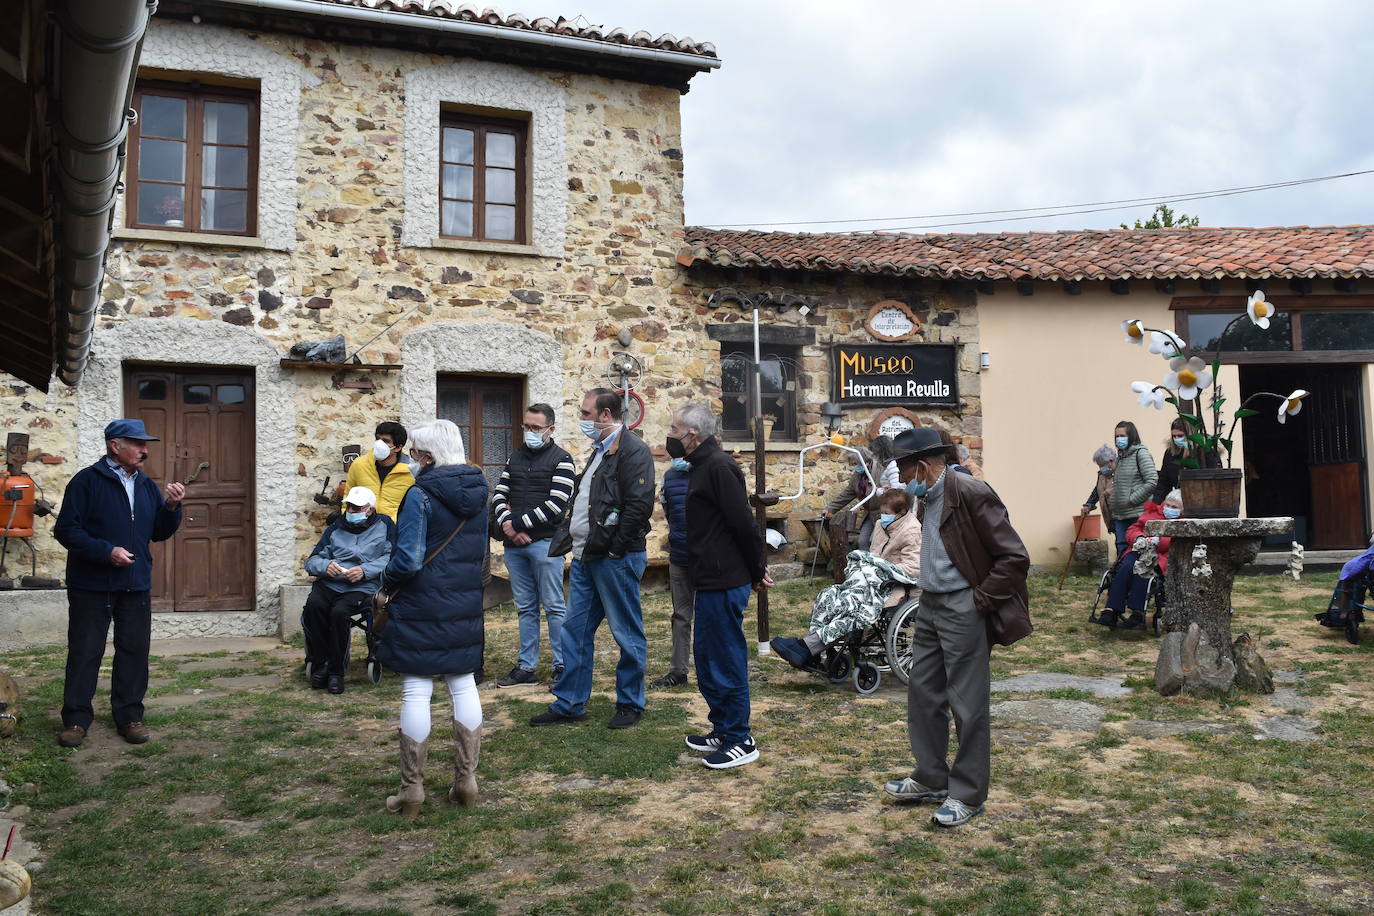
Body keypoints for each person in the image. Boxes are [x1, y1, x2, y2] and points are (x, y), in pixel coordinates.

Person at [881, 427, 1028, 828]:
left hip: (963, 605)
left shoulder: (970, 493)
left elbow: (1014, 558)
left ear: (925, 466)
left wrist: (978, 601)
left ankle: (967, 794)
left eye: (903, 469)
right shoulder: (927, 497)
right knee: (923, 693)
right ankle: (931, 776)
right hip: (927, 603)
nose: (900, 478)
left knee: (967, 703)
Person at [375, 419, 488, 815]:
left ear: (426, 455)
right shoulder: (479, 491)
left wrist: (385, 581)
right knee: (463, 685)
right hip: (463, 600)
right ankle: (467, 782)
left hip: (421, 602)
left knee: (416, 689)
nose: (410, 458)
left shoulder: (419, 495)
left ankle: (412, 791)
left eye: (413, 452)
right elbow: (482, 559)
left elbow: (407, 559)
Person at [52, 419, 185, 748]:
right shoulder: (86, 481)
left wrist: (171, 507)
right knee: (85, 651)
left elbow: (158, 532)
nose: (145, 450)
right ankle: (76, 720)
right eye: (137, 444)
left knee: (134, 651)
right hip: (91, 584)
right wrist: (105, 552)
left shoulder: (145, 485)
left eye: (145, 444)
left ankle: (129, 716)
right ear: (115, 446)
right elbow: (66, 530)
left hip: (134, 582)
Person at [531, 388, 655, 730]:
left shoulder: (633, 450)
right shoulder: (600, 451)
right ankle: (569, 703)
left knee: (626, 632)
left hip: (616, 559)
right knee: (575, 631)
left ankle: (630, 704)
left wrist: (615, 549)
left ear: (605, 415)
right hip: (587, 557)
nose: (581, 419)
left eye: (586, 414)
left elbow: (638, 507)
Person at [670, 403, 772, 769]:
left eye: (674, 429)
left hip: (725, 579)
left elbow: (743, 525)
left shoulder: (720, 467)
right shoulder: (700, 466)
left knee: (726, 658)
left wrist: (757, 568)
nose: (670, 436)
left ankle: (740, 738)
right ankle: (722, 726)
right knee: (708, 657)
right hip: (707, 577)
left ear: (692, 435)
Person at [772, 488, 922, 667]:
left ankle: (809, 647)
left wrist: (881, 568)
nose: (883, 517)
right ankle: (813, 650)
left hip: (894, 586)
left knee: (853, 608)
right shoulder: (881, 525)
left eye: (887, 513)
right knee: (829, 596)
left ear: (902, 512)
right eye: (881, 512)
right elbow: (873, 554)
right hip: (871, 580)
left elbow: (913, 567)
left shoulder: (911, 530)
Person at [490, 403, 576, 688]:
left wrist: (517, 524)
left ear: (551, 429)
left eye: (536, 428)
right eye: (526, 426)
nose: (530, 432)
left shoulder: (562, 459)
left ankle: (563, 664)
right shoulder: (514, 457)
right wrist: (508, 526)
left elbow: (556, 504)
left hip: (546, 545)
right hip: (515, 546)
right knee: (525, 608)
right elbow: (499, 495)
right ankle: (526, 667)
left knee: (554, 607)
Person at [302, 486, 395, 693]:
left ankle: (336, 672)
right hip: (331, 582)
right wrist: (326, 566)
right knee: (313, 607)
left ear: (369, 510)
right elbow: (313, 560)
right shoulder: (336, 527)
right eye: (349, 507)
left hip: (363, 585)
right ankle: (321, 663)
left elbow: (391, 558)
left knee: (339, 612)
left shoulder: (385, 526)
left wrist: (365, 570)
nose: (351, 512)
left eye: (356, 508)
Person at [1094, 489, 1183, 630]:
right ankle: (1111, 610)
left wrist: (1157, 541)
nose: (1169, 509)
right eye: (1168, 505)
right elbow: (1132, 529)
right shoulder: (1152, 513)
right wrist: (1139, 538)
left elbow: (1172, 542)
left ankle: (1138, 613)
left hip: (1159, 556)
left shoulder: (1182, 523)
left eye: (1174, 507)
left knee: (1144, 571)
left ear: (1182, 510)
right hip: (1138, 549)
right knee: (1126, 567)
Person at [649, 447, 694, 688]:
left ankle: (718, 668)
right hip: (680, 554)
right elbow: (669, 512)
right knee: (680, 615)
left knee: (712, 616)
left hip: (707, 558)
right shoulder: (670, 477)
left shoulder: (711, 472)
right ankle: (678, 671)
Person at [1106, 420, 1157, 561]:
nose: (1119, 439)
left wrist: (1132, 499)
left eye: (1122, 435)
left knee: (1139, 552)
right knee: (1122, 552)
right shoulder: (1121, 457)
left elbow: (1152, 480)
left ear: (1131, 436)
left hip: (1137, 513)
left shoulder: (1140, 454)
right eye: (1116, 436)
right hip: (1120, 514)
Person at [346, 420, 415, 522]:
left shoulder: (412, 470)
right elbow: (348, 498)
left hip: (395, 532)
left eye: (385, 441)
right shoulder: (359, 465)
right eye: (377, 439)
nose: (379, 444)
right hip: (364, 530)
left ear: (398, 447)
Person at [825, 446, 884, 551]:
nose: (853, 466)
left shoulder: (879, 469)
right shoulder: (858, 475)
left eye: (855, 463)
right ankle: (865, 566)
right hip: (870, 514)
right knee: (862, 542)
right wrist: (830, 509)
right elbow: (848, 493)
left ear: (863, 459)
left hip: (883, 513)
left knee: (877, 542)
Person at [1153, 418, 1219, 504]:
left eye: (1180, 436)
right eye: (1174, 436)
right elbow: (1163, 483)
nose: (1176, 439)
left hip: (1203, 500)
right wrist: (1155, 505)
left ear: (1190, 435)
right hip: (1179, 501)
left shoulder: (1204, 452)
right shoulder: (1170, 454)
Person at [1080, 443, 1117, 535]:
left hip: (1122, 517)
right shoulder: (1101, 475)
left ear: (1111, 461)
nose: (1101, 468)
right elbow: (1097, 491)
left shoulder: (1121, 472)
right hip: (1110, 518)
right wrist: (1088, 505)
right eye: (1099, 466)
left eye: (1102, 465)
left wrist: (1114, 491)